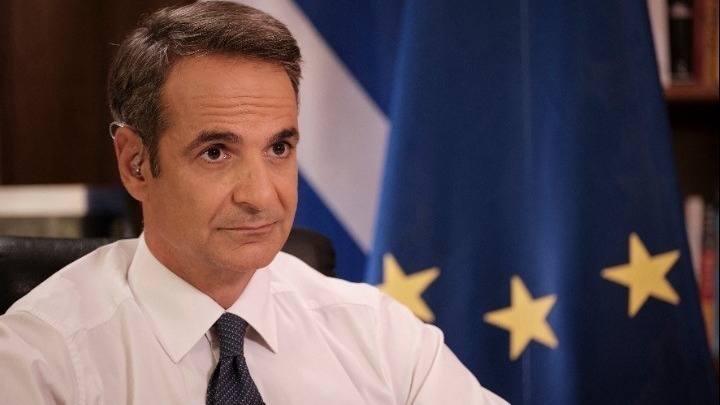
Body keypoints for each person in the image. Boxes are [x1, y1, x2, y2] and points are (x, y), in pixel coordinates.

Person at [0, 2, 507, 403]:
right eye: (216, 152)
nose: (262, 196)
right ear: (136, 164)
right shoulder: (39, 360)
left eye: (279, 148)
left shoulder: (379, 336)